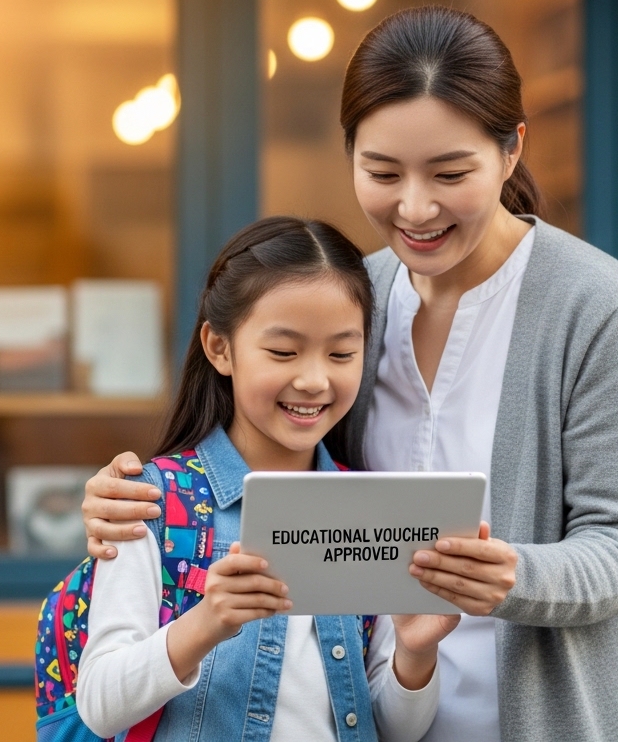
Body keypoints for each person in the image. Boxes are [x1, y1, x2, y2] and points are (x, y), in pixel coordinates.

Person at [79, 6, 618, 741]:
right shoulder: (353, 302)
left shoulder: (595, 305)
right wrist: (131, 502)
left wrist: (509, 576)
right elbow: (275, 461)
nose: (415, 207)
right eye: (383, 173)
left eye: (450, 173)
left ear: (511, 152)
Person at [61, 216, 458, 742]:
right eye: (283, 352)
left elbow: (393, 728)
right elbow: (99, 704)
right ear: (219, 347)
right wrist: (207, 622)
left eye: (342, 353)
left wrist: (416, 650)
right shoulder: (151, 504)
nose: (314, 379)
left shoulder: (368, 507)